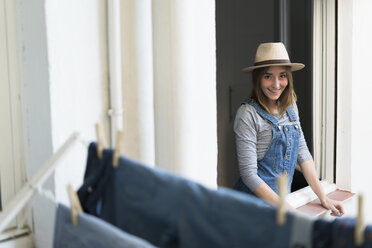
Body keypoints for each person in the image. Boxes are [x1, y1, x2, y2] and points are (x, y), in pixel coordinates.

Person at [233, 42, 344, 216]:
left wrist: (323, 197)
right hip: (251, 208)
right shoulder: (247, 114)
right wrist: (289, 211)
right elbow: (249, 175)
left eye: (282, 75)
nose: (276, 84)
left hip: (281, 204)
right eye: (268, 76)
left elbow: (302, 152)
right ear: (257, 78)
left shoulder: (290, 105)